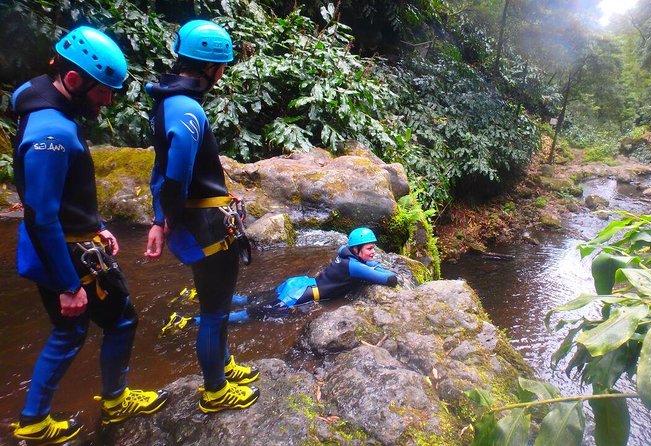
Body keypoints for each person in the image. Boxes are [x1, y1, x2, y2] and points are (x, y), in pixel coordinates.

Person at [10, 26, 168, 445]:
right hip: (65, 252)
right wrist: (68, 285)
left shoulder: (38, 97)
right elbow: (42, 214)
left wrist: (95, 225)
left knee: (70, 332)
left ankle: (33, 419)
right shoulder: (53, 134)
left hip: (61, 242)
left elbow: (58, 197)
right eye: (104, 92)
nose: (109, 101)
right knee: (121, 320)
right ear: (75, 81)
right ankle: (115, 400)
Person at [143, 19, 260, 414]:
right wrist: (168, 219)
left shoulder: (167, 101)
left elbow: (161, 172)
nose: (222, 73)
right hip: (206, 225)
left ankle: (222, 363)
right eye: (222, 66)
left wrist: (162, 219)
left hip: (197, 220)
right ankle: (214, 390)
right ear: (211, 67)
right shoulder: (187, 110)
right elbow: (174, 174)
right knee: (214, 310)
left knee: (217, 302)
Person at [161, 227, 398, 331]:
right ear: (356, 250)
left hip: (298, 283)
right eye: (369, 249)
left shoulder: (344, 253)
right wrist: (377, 267)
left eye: (373, 248)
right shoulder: (356, 268)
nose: (373, 253)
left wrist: (370, 260)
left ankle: (194, 295)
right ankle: (187, 322)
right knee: (249, 315)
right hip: (300, 295)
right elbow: (389, 279)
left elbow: (356, 258)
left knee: (245, 299)